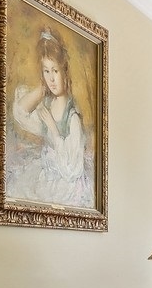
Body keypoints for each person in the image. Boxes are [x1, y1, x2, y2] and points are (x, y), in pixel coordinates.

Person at [10, 27, 92, 208]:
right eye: (46, 71)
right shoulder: (47, 105)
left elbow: (71, 169)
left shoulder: (72, 117)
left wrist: (54, 129)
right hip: (46, 178)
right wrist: (42, 87)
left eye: (55, 70)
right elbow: (20, 113)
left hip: (67, 186)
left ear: (64, 71)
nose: (52, 78)